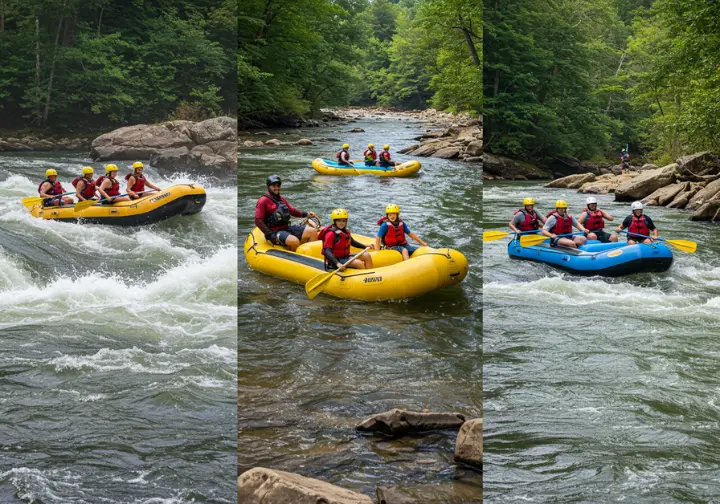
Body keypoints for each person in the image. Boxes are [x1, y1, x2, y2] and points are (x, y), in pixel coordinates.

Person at [255, 174, 319, 251]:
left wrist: (306, 214)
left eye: (278, 186)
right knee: (294, 241)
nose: (277, 188)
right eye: (274, 186)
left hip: (286, 228)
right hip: (274, 232)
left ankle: (309, 256)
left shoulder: (281, 199)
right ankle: (294, 258)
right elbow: (258, 220)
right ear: (268, 187)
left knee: (312, 231)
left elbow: (292, 211)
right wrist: (270, 235)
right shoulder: (263, 201)